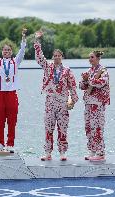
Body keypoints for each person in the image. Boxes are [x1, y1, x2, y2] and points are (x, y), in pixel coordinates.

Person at [34, 30, 78, 161]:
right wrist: (37, 41)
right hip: (50, 101)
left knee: (62, 128)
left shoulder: (67, 71)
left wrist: (72, 101)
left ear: (62, 57)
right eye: (54, 55)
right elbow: (39, 58)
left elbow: (73, 87)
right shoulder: (48, 67)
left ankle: (63, 152)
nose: (56, 57)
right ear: (52, 57)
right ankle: (48, 153)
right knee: (49, 127)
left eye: (59, 55)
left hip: (63, 102)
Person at [0, 27, 27, 153]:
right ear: (2, 51)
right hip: (0, 94)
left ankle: (10, 144)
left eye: (8, 50)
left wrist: (23, 37)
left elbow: (22, 50)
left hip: (12, 94)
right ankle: (0, 143)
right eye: (4, 50)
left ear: (11, 52)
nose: (6, 51)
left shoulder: (16, 61)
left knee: (12, 120)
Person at [79, 50, 110, 162]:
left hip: (97, 103)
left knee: (97, 128)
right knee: (88, 127)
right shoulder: (89, 71)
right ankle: (92, 150)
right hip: (88, 103)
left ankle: (100, 152)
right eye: (89, 57)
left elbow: (101, 83)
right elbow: (81, 86)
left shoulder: (103, 71)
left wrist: (89, 80)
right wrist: (84, 81)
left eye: (92, 57)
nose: (90, 59)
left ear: (97, 58)